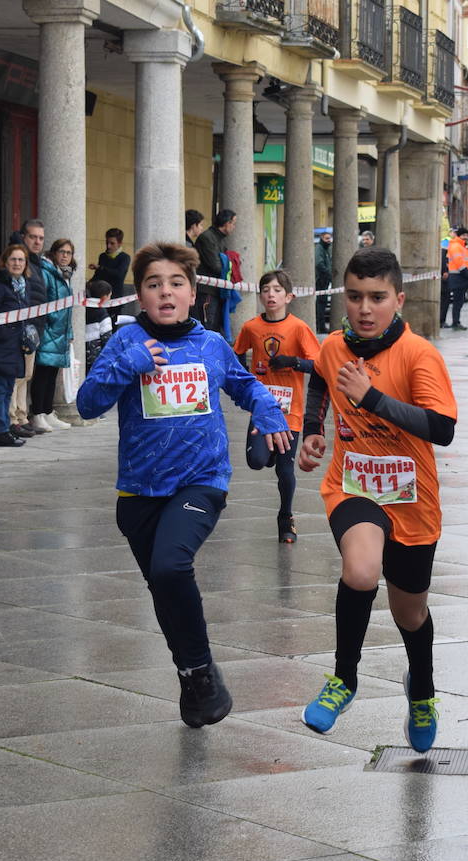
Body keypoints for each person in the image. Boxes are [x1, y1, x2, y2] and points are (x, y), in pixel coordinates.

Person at [76, 241, 291, 728]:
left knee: (172, 569)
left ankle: (199, 672)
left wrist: (269, 409)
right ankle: (195, 674)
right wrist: (123, 367)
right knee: (163, 589)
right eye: (153, 285)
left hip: (201, 482)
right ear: (141, 296)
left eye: (176, 284)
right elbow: (87, 403)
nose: (166, 293)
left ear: (193, 294)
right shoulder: (125, 344)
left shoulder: (212, 344)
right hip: (138, 492)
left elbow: (246, 384)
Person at [297, 246, 458, 752]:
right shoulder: (334, 346)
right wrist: (311, 432)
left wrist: (373, 400)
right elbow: (322, 377)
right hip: (353, 486)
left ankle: (422, 691)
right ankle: (344, 679)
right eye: (355, 297)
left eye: (377, 298)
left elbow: (442, 428)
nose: (365, 309)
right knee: (361, 571)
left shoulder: (419, 354)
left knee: (410, 613)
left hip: (412, 501)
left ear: (399, 300)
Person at [233, 269, 321, 543]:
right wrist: (246, 379)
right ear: (260, 296)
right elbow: (234, 356)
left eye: (277, 290)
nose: (271, 295)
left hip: (289, 411)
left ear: (289, 296)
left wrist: (292, 362)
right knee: (257, 461)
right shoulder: (251, 327)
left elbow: (319, 365)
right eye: (266, 290)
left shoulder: (298, 328)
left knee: (285, 470)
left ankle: (286, 518)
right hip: (262, 408)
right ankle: (267, 453)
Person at [0, 245, 35, 448]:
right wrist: (6, 334)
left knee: (6, 388)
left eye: (21, 260)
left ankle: (4, 427)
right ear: (5, 261)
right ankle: (0, 430)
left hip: (13, 347)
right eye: (13, 259)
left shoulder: (22, 286)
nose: (17, 263)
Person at [10, 220, 52, 439]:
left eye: (41, 238)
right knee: (17, 376)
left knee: (26, 375)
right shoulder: (18, 258)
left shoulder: (36, 262)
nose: (37, 242)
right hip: (21, 327)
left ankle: (22, 416)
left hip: (34, 327)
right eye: (33, 237)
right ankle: (13, 418)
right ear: (24, 236)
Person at [31, 237, 76, 433]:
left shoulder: (65, 275)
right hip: (49, 329)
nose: (65, 256)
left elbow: (68, 308)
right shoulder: (47, 272)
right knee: (42, 373)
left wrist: (69, 331)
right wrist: (53, 321)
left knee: (52, 374)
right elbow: (45, 301)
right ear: (54, 253)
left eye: (68, 253)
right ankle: (37, 414)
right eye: (62, 252)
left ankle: (48, 411)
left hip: (60, 332)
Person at [194, 210, 235, 331]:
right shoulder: (207, 238)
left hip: (216, 290)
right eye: (233, 223)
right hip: (207, 289)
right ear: (226, 223)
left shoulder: (219, 239)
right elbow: (216, 265)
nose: (234, 227)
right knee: (208, 324)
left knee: (216, 325)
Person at [441, 227, 468, 331]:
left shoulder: (462, 247)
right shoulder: (456, 246)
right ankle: (455, 322)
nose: (465, 237)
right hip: (458, 276)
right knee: (457, 302)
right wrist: (467, 273)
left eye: (467, 235)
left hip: (460, 276)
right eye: (463, 235)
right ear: (459, 236)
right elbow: (458, 261)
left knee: (459, 301)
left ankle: (456, 321)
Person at [314, 231, 333, 334]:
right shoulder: (319, 249)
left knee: (322, 303)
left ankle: (320, 326)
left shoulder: (326, 249)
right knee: (321, 304)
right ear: (321, 238)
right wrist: (327, 273)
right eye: (326, 238)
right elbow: (319, 264)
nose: (328, 241)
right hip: (320, 279)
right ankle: (320, 326)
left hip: (324, 280)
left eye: (329, 238)